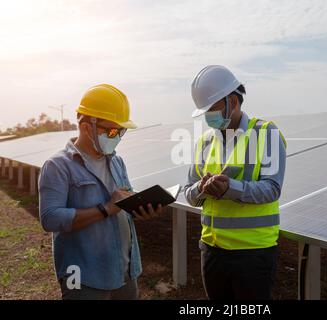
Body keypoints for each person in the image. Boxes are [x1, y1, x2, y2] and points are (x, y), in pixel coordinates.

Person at [38, 84, 163, 300]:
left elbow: (123, 202)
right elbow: (50, 218)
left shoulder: (117, 161)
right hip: (83, 277)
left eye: (121, 131)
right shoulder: (58, 166)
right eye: (113, 131)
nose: (118, 137)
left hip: (125, 270)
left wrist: (140, 209)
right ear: (87, 127)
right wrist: (106, 209)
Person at [184, 65, 287, 300]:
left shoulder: (265, 134)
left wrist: (230, 189)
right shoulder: (204, 142)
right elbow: (189, 194)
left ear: (232, 101)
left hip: (253, 254)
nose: (209, 116)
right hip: (211, 250)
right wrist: (201, 188)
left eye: (212, 108)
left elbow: (272, 189)